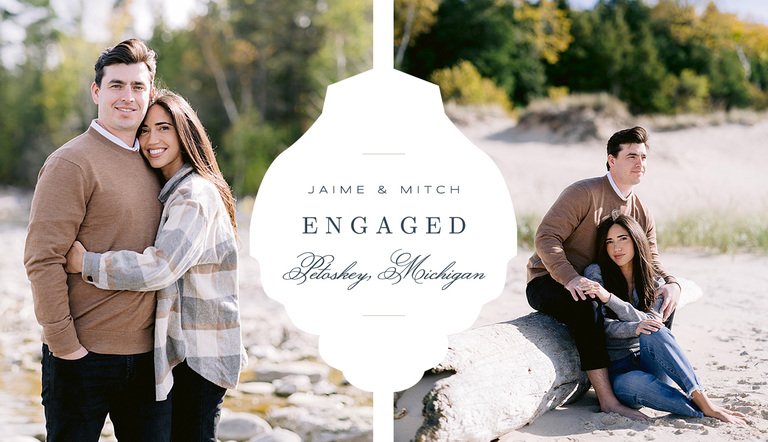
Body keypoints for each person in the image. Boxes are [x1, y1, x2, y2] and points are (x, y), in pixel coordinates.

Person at [64, 89, 248, 441]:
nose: (151, 139)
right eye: (144, 130)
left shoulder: (193, 195)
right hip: (184, 352)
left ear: (185, 132)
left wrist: (86, 263)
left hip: (199, 357)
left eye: (163, 128)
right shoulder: (173, 189)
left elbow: (159, 268)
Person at [23, 39, 171, 441]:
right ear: (96, 92)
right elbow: (43, 259)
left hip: (148, 361)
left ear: (151, 93)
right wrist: (65, 346)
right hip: (82, 359)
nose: (128, 96)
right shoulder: (71, 162)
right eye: (116, 85)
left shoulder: (155, 159)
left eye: (138, 87)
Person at [525, 126, 681, 420]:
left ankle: (652, 381)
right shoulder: (584, 192)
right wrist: (570, 277)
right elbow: (546, 237)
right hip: (550, 280)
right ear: (611, 160)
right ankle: (608, 399)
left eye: (644, 157)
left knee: (663, 298)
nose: (640, 164)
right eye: (632, 156)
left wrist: (672, 283)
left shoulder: (642, 210)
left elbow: (652, 259)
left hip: (601, 283)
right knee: (588, 304)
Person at [580, 212, 745, 424]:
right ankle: (701, 410)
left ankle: (704, 401)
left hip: (651, 361)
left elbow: (652, 323)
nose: (616, 248)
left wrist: (610, 299)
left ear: (636, 240)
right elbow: (601, 327)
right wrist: (635, 326)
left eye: (623, 239)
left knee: (653, 329)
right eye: (609, 242)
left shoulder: (654, 282)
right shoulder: (596, 274)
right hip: (620, 373)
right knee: (634, 383)